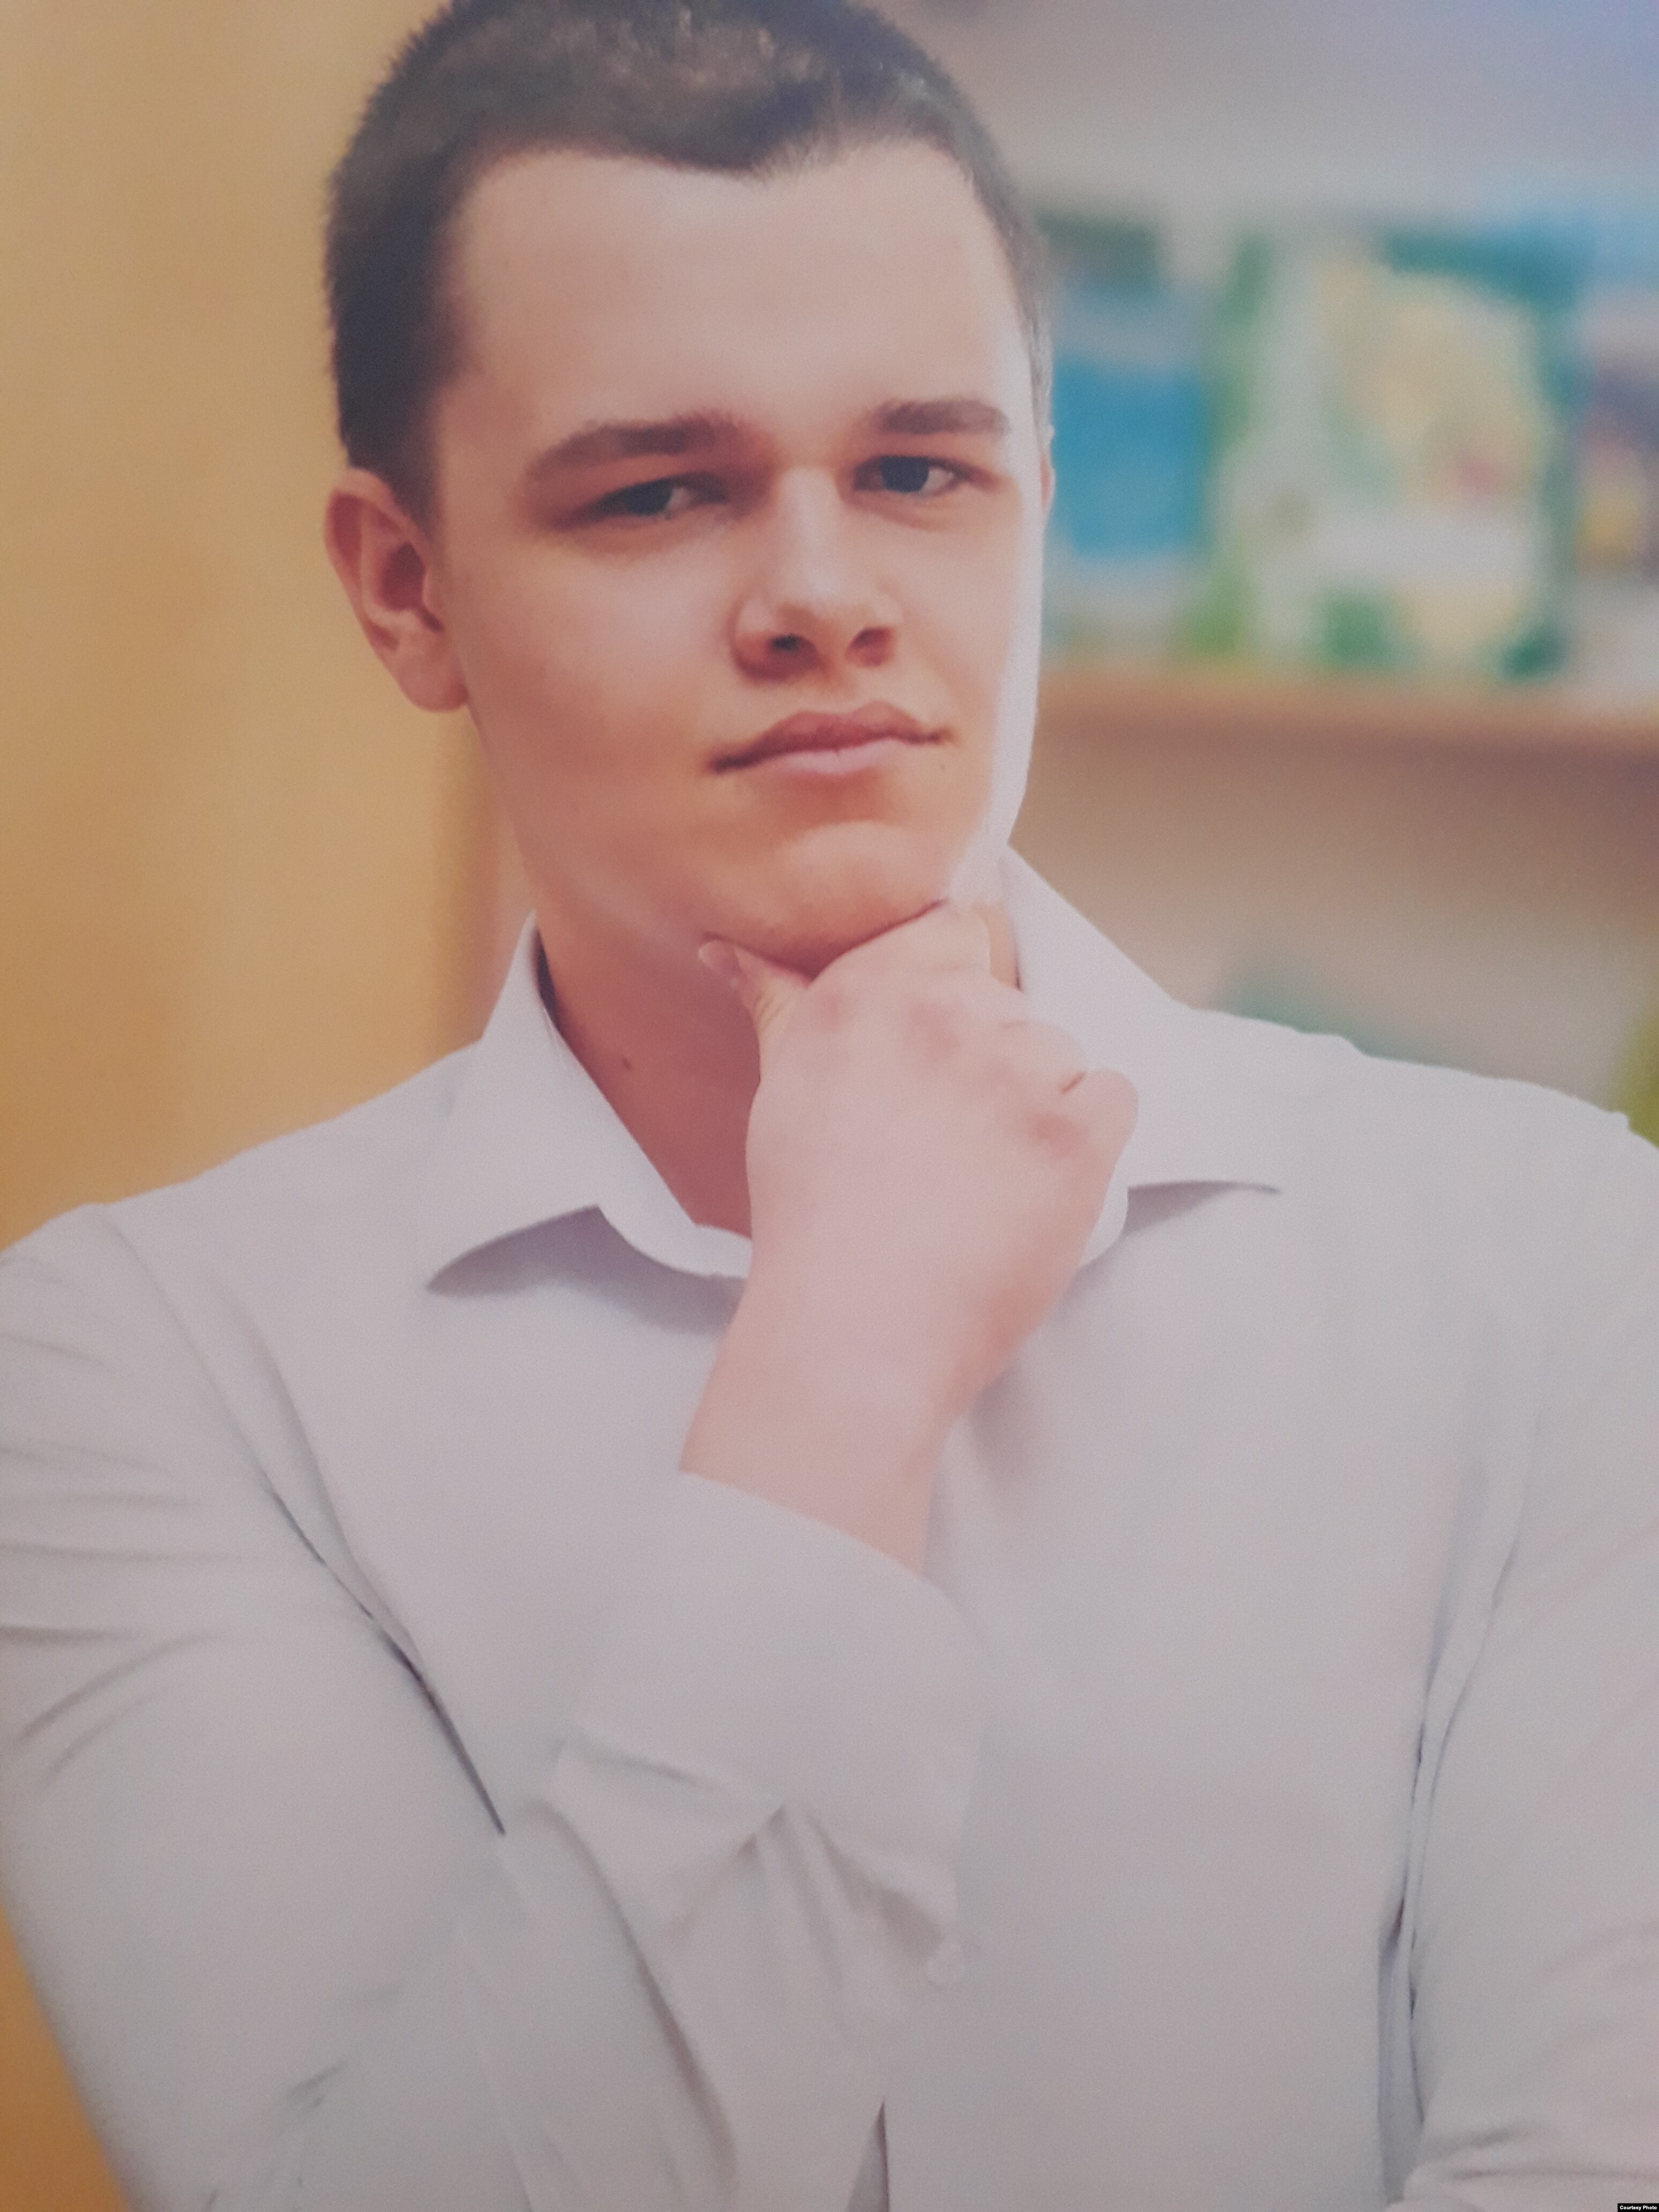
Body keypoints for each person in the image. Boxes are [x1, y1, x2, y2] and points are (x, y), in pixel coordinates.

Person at [2, 1, 1656, 2207]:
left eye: (919, 473)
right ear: (410, 588)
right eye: (658, 493)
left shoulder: (1556, 1264)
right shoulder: (139, 1372)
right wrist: (842, 1359)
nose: (822, 596)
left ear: (1041, 492)